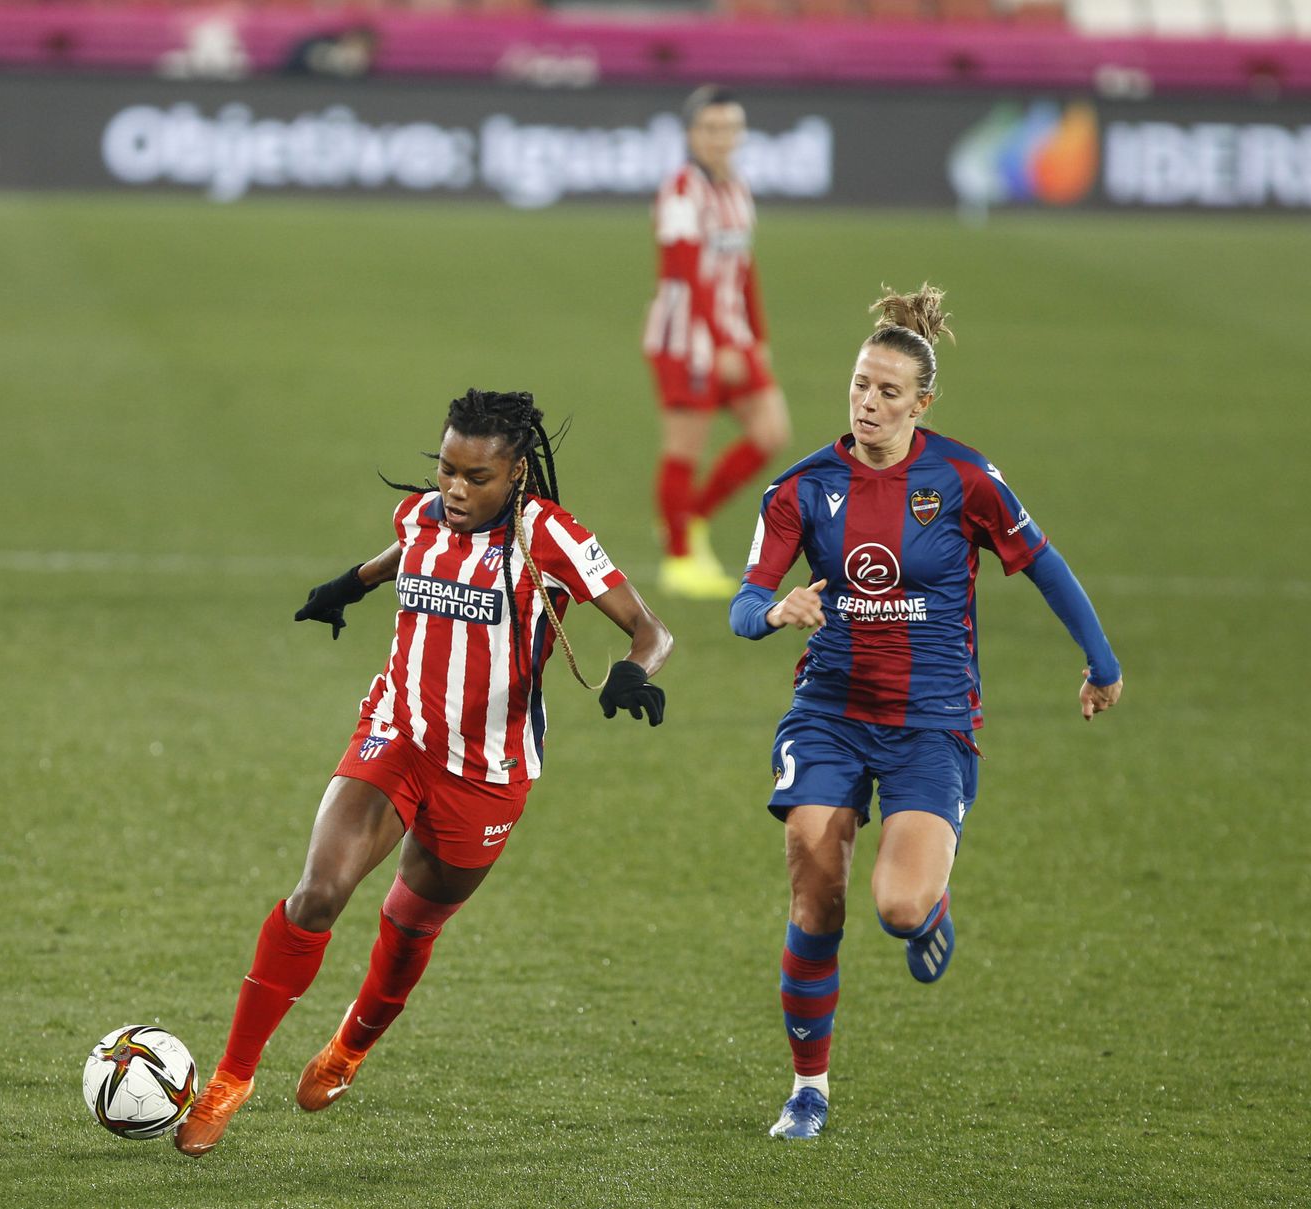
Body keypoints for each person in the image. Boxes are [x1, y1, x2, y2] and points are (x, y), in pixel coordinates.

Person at [176, 388, 673, 1157]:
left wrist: (634, 672)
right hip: (395, 734)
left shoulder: (548, 536)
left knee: (410, 925)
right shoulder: (420, 517)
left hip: (486, 771)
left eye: (477, 477)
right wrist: (352, 582)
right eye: (446, 469)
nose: (455, 489)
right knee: (317, 893)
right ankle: (230, 1078)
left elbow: (651, 627)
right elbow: (403, 549)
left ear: (514, 477)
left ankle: (347, 1048)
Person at [729, 285, 1123, 1141]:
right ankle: (809, 1089)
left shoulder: (963, 479)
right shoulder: (802, 488)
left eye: (888, 393)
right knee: (813, 885)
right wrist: (773, 612)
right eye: (860, 386)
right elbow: (743, 603)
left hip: (932, 719)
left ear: (923, 403)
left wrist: (1101, 662)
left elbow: (1046, 566)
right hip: (828, 711)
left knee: (898, 908)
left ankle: (931, 903)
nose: (868, 404)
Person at [643, 84, 792, 600]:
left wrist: (757, 336)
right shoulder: (681, 191)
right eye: (710, 128)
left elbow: (744, 270)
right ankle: (679, 558)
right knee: (686, 444)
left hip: (733, 336)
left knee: (771, 432)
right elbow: (686, 273)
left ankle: (692, 519)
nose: (721, 138)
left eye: (729, 128)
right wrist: (718, 342)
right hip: (686, 340)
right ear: (690, 134)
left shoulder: (736, 188)